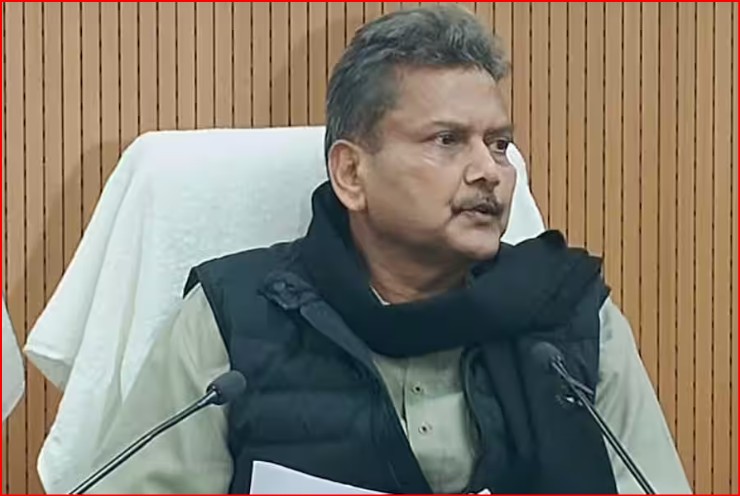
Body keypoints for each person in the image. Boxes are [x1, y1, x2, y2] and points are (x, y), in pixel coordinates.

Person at [88, 5, 690, 494]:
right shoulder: (233, 319)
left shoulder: (571, 320)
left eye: (499, 144)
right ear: (351, 174)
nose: (490, 171)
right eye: (447, 140)